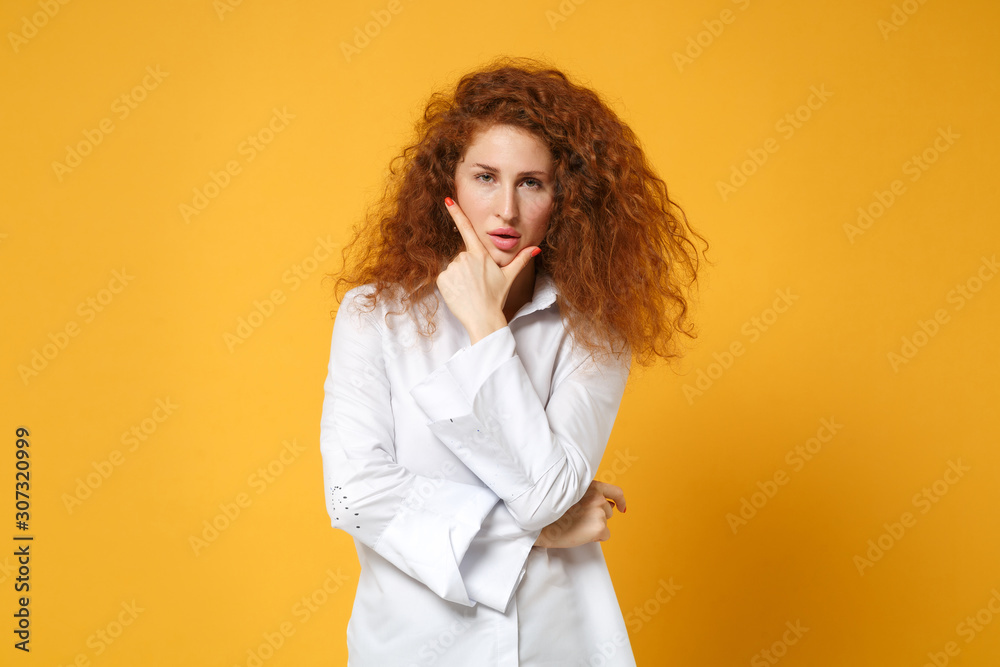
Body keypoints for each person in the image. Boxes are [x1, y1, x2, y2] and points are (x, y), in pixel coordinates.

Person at [320, 56, 707, 666]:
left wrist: (485, 326)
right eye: (485, 177)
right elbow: (355, 494)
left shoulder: (596, 331)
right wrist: (545, 532)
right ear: (449, 185)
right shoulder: (375, 316)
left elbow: (548, 493)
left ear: (565, 199)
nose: (505, 208)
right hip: (414, 646)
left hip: (557, 641)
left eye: (531, 183)